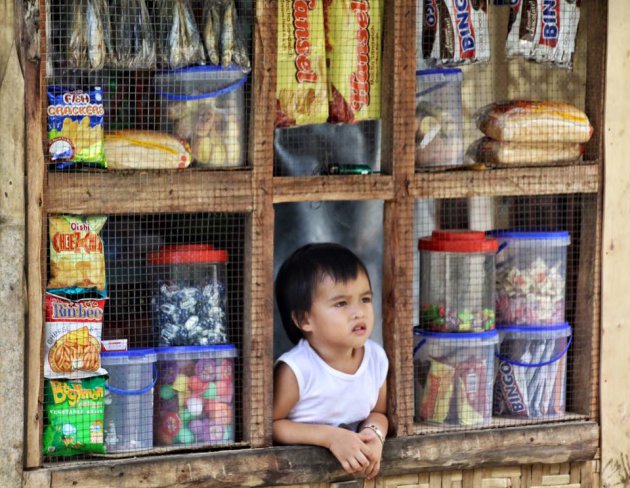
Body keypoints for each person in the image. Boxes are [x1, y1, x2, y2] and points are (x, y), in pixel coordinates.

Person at [273, 242, 389, 480]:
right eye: (341, 303)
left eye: (365, 299)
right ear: (304, 320)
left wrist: (374, 435)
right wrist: (331, 437)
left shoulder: (376, 358)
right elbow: (273, 425)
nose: (358, 312)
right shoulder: (297, 370)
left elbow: (379, 412)